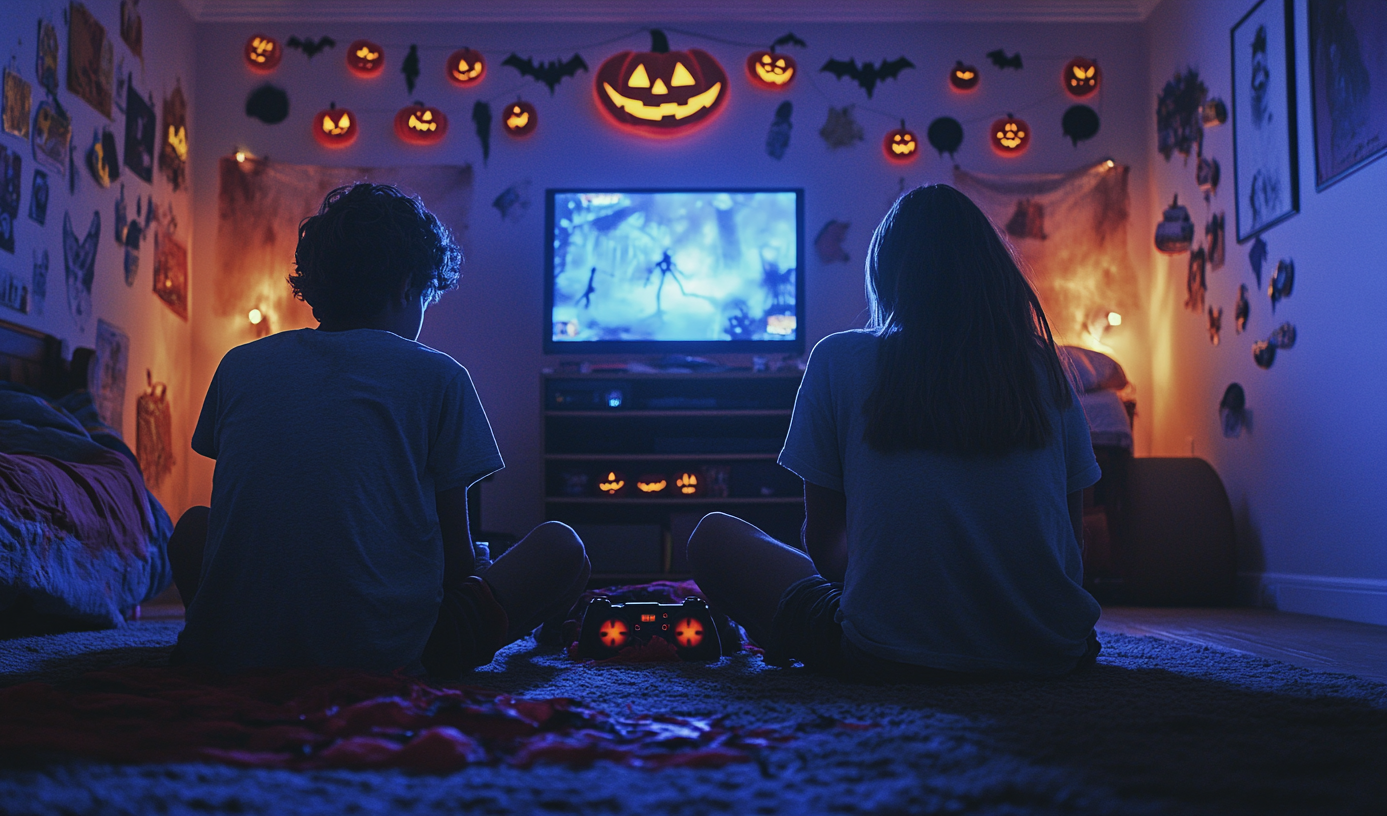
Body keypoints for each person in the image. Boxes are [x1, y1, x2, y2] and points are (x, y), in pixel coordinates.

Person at [169, 183, 589, 674]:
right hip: (393, 655)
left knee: (194, 527)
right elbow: (454, 564)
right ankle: (543, 628)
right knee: (563, 547)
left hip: (231, 653)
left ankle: (244, 634)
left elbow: (247, 517)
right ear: (409, 284)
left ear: (315, 286)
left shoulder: (239, 366)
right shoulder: (441, 376)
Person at [688, 184, 1101, 680]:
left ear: (887, 274)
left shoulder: (839, 359)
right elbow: (1071, 552)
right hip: (1052, 653)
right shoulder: (1045, 366)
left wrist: (895, 583)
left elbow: (825, 549)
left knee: (712, 537)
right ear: (993, 274)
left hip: (885, 653)